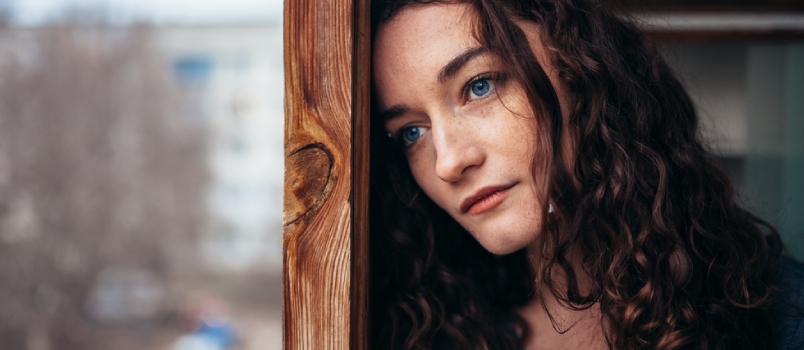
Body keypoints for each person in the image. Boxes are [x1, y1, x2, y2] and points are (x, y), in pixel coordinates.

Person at [368, 0, 804, 349]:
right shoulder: (425, 331)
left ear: (578, 68)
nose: (447, 162)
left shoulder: (774, 310)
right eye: (411, 132)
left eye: (479, 85)